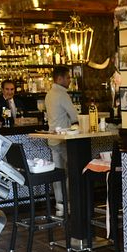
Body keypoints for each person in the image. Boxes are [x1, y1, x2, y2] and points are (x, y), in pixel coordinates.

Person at [44, 65, 78, 215]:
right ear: (60, 78)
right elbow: (75, 116)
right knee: (72, 170)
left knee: (58, 173)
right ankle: (70, 203)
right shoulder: (62, 94)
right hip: (64, 139)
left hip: (52, 139)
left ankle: (60, 205)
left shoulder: (49, 94)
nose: (70, 80)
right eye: (68, 77)